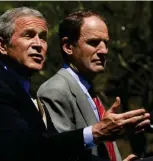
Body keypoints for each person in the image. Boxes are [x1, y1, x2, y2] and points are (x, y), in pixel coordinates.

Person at [37, 10, 150, 161]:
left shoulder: (88, 90)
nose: (104, 51)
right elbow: (63, 153)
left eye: (106, 43)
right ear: (68, 46)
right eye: (93, 42)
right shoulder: (54, 91)